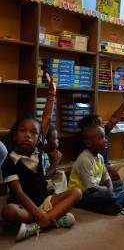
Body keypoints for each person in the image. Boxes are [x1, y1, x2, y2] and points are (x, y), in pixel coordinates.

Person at [1, 74, 81, 242]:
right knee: (8, 211)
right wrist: (39, 214)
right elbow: (19, 193)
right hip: (25, 205)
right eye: (22, 131)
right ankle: (53, 219)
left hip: (45, 200)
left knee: (77, 192)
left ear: (39, 139)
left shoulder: (38, 148)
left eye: (33, 133)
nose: (28, 136)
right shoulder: (9, 161)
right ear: (14, 135)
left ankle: (36, 226)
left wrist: (51, 94)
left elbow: (45, 118)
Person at [68, 123, 124, 215]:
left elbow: (106, 177)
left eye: (104, 137)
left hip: (97, 190)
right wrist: (108, 190)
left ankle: (114, 204)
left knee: (118, 183)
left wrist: (110, 187)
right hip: (83, 195)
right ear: (88, 143)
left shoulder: (100, 157)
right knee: (108, 195)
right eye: (100, 138)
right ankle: (123, 200)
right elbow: (91, 188)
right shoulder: (84, 159)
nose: (105, 140)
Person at [77, 89, 124, 183]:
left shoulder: (104, 132)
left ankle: (116, 182)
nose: (104, 126)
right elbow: (91, 164)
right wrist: (107, 168)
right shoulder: (87, 141)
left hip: (107, 167)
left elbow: (114, 119)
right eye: (101, 124)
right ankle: (117, 186)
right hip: (97, 170)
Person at [42, 126, 68, 194]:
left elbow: (50, 173)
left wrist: (52, 159)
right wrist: (55, 161)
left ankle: (58, 194)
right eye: (55, 138)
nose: (57, 141)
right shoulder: (40, 155)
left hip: (47, 180)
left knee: (61, 174)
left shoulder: (45, 154)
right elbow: (45, 177)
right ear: (45, 141)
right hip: (40, 184)